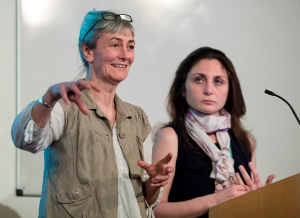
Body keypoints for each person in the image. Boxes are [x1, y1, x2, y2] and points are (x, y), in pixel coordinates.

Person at [11, 10, 173, 218]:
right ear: (88, 51)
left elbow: (144, 200)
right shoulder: (64, 106)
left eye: (130, 46)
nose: (125, 55)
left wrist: (154, 182)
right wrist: (48, 99)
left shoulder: (137, 117)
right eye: (115, 45)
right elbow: (25, 140)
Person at [151, 47, 276, 218]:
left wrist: (259, 199)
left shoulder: (246, 141)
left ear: (230, 89)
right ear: (183, 89)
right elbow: (155, 210)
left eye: (218, 81)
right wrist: (216, 200)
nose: (208, 90)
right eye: (199, 80)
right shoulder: (170, 136)